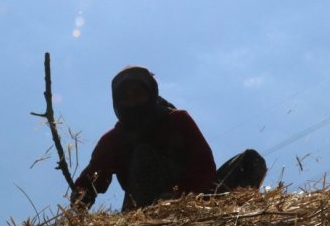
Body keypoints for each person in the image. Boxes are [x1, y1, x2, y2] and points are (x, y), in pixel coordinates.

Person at [71, 66, 267, 211]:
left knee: (250, 161)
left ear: (151, 94)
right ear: (117, 103)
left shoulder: (177, 119)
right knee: (143, 155)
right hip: (144, 212)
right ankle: (152, 215)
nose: (132, 101)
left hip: (196, 202)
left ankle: (230, 215)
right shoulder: (113, 140)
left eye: (138, 94)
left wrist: (181, 195)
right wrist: (79, 203)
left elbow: (204, 165)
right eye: (125, 97)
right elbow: (91, 178)